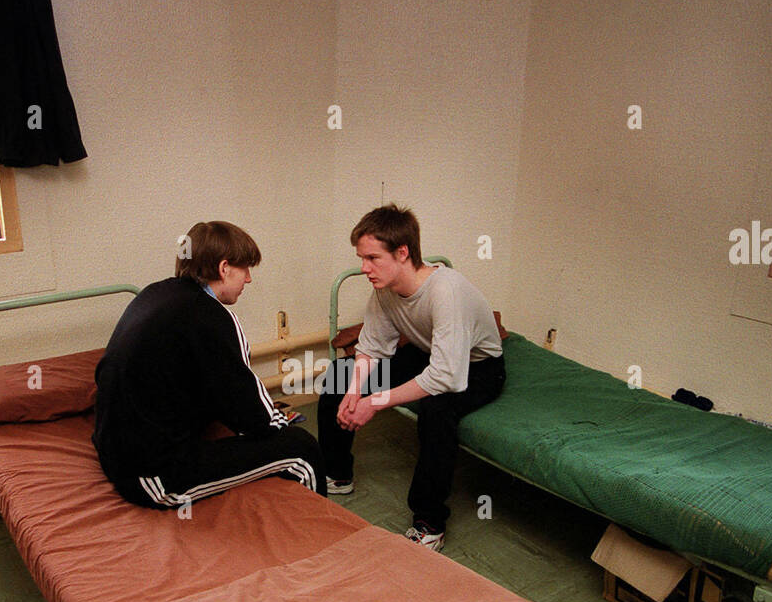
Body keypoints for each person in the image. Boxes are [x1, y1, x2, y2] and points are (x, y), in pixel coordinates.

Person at [93, 220, 325, 509]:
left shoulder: (155, 294)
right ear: (224, 268)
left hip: (113, 453)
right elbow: (254, 413)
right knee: (302, 448)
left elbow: (208, 382)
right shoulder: (213, 318)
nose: (249, 279)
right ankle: (325, 542)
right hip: (154, 478)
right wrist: (281, 424)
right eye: (245, 269)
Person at [318, 205, 504, 550]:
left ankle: (429, 521)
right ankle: (337, 473)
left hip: (479, 367)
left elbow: (446, 375)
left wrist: (376, 401)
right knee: (338, 377)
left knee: (436, 410)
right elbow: (372, 346)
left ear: (402, 252)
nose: (364, 268)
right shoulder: (384, 288)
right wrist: (355, 390)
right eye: (361, 258)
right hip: (427, 352)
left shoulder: (446, 290)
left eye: (373, 258)